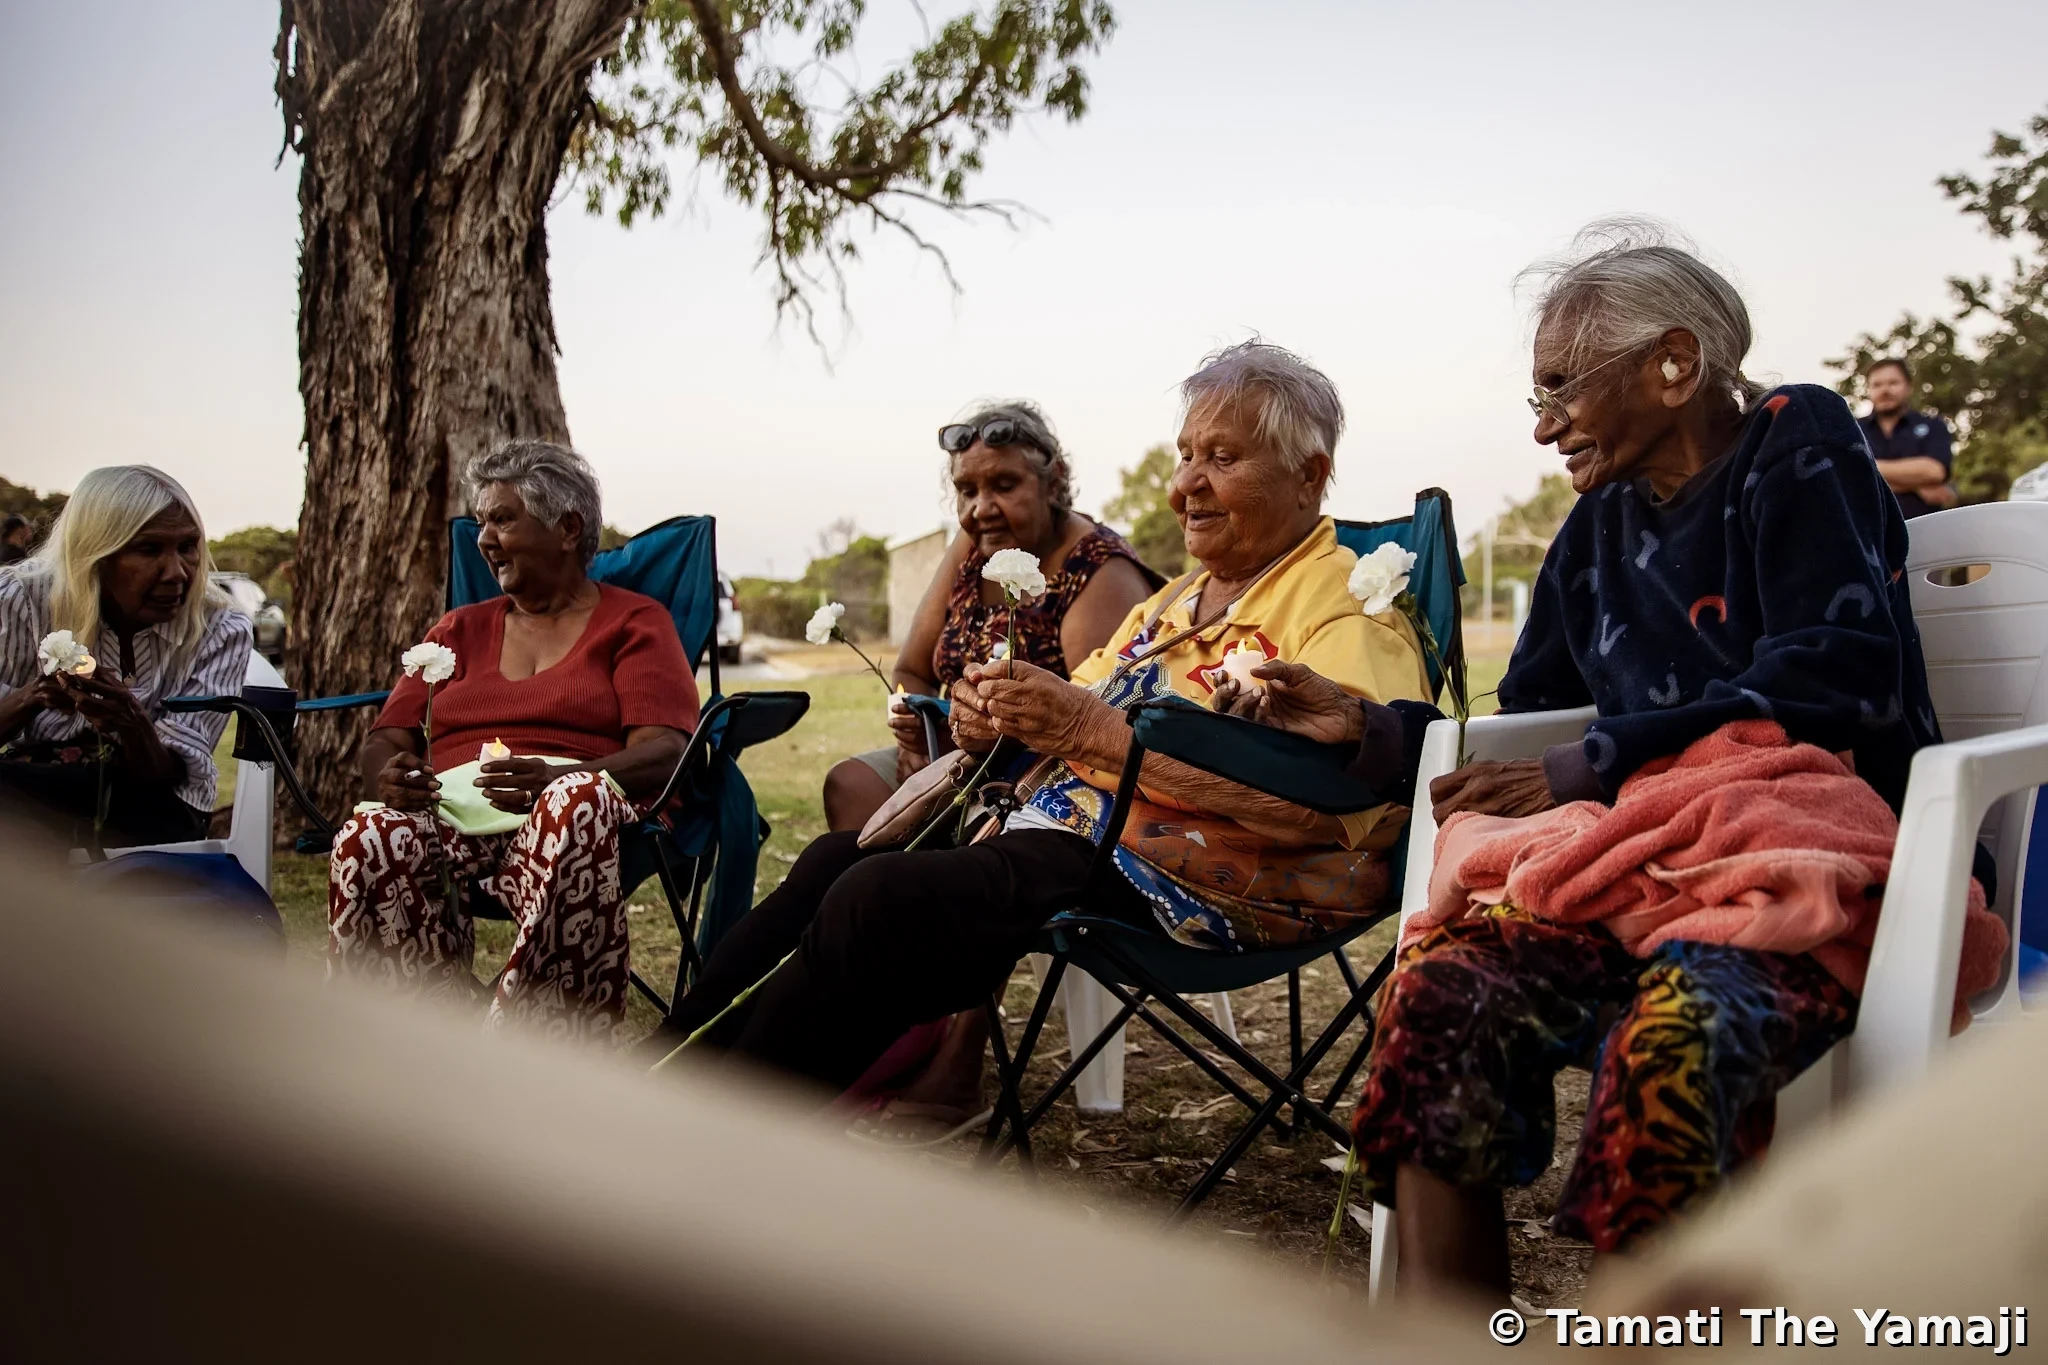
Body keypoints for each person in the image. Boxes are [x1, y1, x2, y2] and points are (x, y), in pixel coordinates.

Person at [1327, 223, 1944, 1299]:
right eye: (1535, 398)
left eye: (1558, 389)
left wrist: (1596, 760)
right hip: (1636, 876)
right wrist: (1362, 729)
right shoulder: (1601, 517)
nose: (1540, 430)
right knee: (1440, 993)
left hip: (1809, 870)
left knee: (1670, 1039)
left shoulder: (1797, 436)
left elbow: (1840, 670)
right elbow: (1527, 715)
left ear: (1672, 363)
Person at [652, 341, 1433, 1099]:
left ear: (1310, 474)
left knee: (879, 902)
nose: (1184, 486)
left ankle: (722, 1148)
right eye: (1184, 454)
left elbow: (1339, 802)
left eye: (1221, 459)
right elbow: (1075, 700)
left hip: (1219, 873)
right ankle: (655, 1086)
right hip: (1079, 829)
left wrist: (1091, 736)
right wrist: (1000, 713)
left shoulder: (1349, 603)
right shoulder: (1176, 602)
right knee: (834, 861)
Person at [326, 441, 696, 1044]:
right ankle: (397, 1043)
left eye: (502, 519)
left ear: (567, 528)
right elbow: (386, 738)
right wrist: (390, 777)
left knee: (577, 799)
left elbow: (667, 752)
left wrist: (556, 781)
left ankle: (536, 1049)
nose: (485, 539)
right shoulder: (456, 630)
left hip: (570, 829)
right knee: (371, 834)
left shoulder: (635, 623)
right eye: (480, 524)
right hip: (447, 821)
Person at [823, 401, 1156, 832]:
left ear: (1052, 482)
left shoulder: (1099, 571)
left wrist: (969, 741)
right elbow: (910, 669)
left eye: (1004, 484)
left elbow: (1095, 727)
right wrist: (912, 729)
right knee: (849, 785)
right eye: (967, 491)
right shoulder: (973, 546)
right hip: (953, 756)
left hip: (1049, 781)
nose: (981, 508)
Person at [0, 466, 252, 847]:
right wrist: (34, 696)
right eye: (149, 549)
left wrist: (131, 722)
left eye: (188, 547)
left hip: (147, 801)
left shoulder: (221, 627)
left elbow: (170, 777)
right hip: (31, 787)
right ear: (95, 554)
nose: (177, 573)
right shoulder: (20, 600)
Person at [1858, 357, 1957, 518]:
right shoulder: (1852, 429)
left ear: (1908, 386)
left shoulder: (1933, 425)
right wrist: (1916, 486)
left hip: (1924, 529)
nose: (1885, 390)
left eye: (1893, 383)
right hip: (1868, 533)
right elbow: (1846, 476)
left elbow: (1934, 471)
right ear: (1868, 389)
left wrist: (1866, 467)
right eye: (1877, 385)